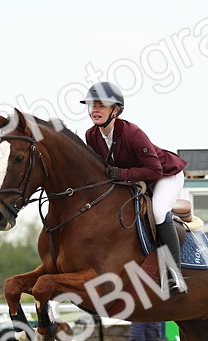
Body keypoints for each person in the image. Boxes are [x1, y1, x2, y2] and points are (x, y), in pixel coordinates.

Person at [81, 82, 190, 295]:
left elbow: (154, 170)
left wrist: (122, 174)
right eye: (93, 105)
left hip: (166, 175)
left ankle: (175, 274)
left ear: (116, 110)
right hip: (137, 180)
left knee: (158, 212)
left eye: (102, 105)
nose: (95, 110)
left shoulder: (132, 133)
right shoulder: (91, 136)